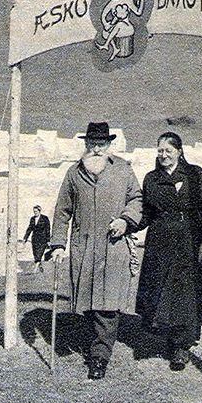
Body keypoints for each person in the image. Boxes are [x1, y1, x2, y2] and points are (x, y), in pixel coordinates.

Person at [50, 122, 142, 380]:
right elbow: (62, 211)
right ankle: (94, 343)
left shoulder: (123, 169)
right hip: (84, 247)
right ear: (86, 144)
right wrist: (58, 244)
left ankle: (100, 357)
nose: (97, 149)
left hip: (113, 246)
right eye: (92, 143)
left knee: (108, 304)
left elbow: (137, 199)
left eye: (102, 143)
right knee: (88, 303)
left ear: (109, 145)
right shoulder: (74, 173)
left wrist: (125, 220)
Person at [136, 131, 202, 371]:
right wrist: (127, 224)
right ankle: (170, 338)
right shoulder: (151, 179)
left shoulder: (195, 174)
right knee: (164, 291)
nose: (163, 155)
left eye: (168, 151)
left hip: (190, 242)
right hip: (160, 243)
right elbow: (146, 214)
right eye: (160, 151)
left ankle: (182, 346)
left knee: (187, 293)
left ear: (179, 152)